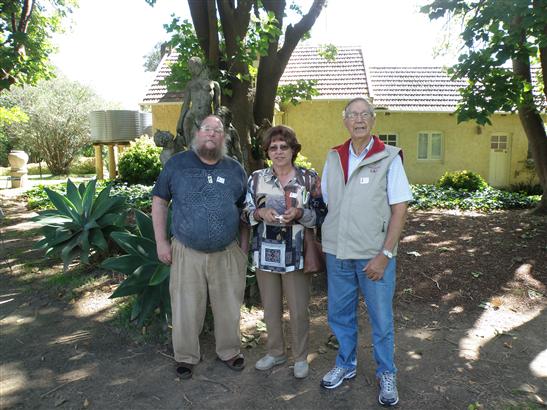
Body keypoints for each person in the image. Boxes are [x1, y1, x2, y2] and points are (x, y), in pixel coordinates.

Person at [319, 97, 412, 406]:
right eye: (352, 115)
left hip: (374, 255)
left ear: (373, 120)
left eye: (364, 115)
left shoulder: (389, 157)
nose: (358, 120)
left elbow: (399, 210)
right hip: (337, 252)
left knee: (381, 319)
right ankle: (345, 364)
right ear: (345, 121)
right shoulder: (333, 156)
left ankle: (387, 372)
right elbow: (332, 203)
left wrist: (385, 255)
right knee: (339, 314)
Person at [151, 115, 249, 379]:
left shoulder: (235, 169)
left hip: (227, 252)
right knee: (185, 306)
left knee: (229, 306)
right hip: (186, 250)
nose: (211, 134)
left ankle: (229, 351)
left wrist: (243, 248)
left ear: (223, 138)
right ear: (197, 134)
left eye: (217, 130)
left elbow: (244, 210)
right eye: (207, 129)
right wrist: (161, 242)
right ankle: (185, 356)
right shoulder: (177, 164)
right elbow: (159, 202)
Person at [242, 125, 326, 379]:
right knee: (270, 308)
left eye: (284, 147)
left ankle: (300, 357)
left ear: (293, 150)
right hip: (265, 252)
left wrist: (301, 214)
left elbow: (323, 215)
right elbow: (244, 213)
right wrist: (259, 213)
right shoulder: (256, 179)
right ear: (267, 152)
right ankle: (276, 352)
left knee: (299, 309)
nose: (278, 152)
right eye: (273, 147)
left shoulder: (309, 179)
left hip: (297, 253)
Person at [175, 56, 221, 152]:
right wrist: (180, 121)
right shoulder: (190, 84)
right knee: (191, 148)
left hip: (207, 118)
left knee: (208, 148)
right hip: (191, 117)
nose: (190, 70)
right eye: (189, 68)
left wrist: (220, 122)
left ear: (199, 65)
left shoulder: (215, 84)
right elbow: (186, 104)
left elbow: (217, 107)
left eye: (192, 67)